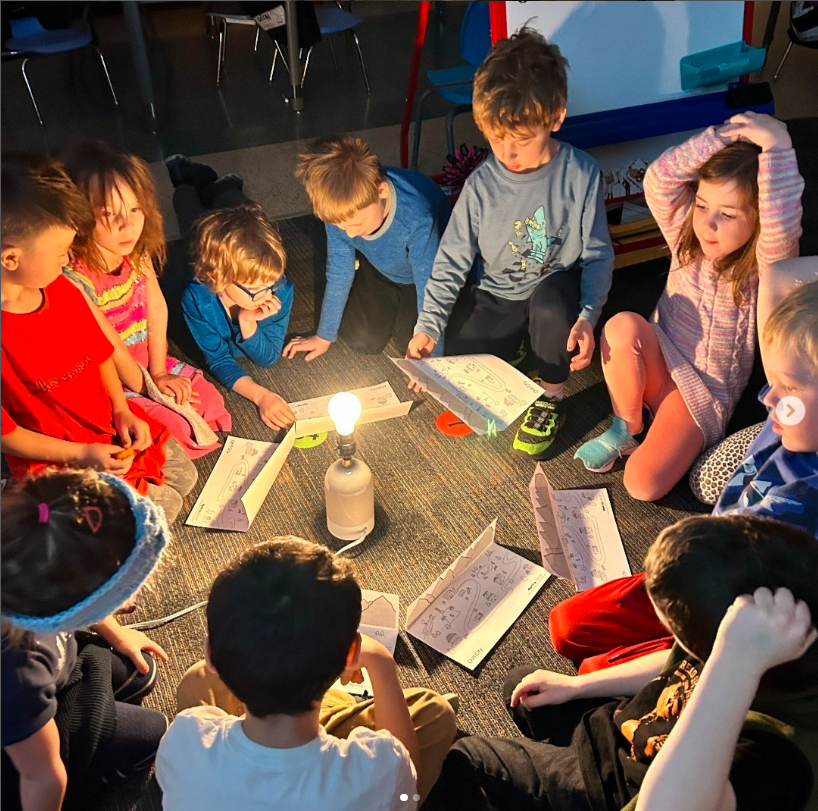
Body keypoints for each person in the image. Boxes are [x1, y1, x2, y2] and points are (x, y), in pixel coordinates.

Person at [441, 514, 818, 811]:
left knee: (464, 759)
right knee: (521, 688)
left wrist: (733, 663)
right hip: (623, 731)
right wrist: (578, 686)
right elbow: (675, 666)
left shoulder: (779, 758)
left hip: (621, 788)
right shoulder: (760, 615)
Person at [550, 273, 818, 675]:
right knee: (565, 625)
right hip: (699, 568)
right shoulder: (787, 420)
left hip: (725, 616)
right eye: (773, 382)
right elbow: (783, 280)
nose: (768, 398)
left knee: (593, 671)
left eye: (789, 388)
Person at [407, 28, 614, 459]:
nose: (506, 153)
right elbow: (451, 260)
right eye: (495, 138)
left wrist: (589, 316)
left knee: (552, 309)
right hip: (498, 292)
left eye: (520, 140)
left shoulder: (581, 173)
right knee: (463, 346)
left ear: (555, 117)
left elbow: (597, 253)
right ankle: (519, 348)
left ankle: (551, 395)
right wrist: (429, 325)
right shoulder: (481, 185)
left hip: (553, 287)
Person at [574, 112, 804, 501]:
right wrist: (721, 136)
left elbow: (783, 225)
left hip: (702, 397)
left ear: (758, 219)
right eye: (701, 205)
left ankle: (664, 431)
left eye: (727, 215)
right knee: (621, 325)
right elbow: (659, 180)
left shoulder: (764, 269)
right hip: (658, 359)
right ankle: (626, 426)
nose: (707, 224)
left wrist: (778, 147)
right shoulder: (686, 238)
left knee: (641, 483)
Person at [156, 537, 457, 810]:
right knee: (436, 712)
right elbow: (407, 785)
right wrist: (381, 664)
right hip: (346, 772)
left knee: (197, 681)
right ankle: (337, 704)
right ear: (351, 654)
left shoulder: (183, 738)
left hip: (241, 755)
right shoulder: (380, 769)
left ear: (211, 654)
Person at [1, 155, 197, 524]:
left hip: (105, 423)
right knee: (159, 510)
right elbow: (8, 435)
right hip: (56, 453)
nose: (68, 262)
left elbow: (99, 353)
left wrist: (121, 408)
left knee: (183, 477)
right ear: (11, 258)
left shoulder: (60, 289)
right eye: (61, 254)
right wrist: (81, 454)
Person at [1, 469, 171, 811]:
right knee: (155, 734)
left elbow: (74, 582)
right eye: (119, 594)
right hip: (21, 736)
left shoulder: (25, 541)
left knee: (141, 670)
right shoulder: (17, 675)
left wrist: (116, 633)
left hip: (53, 668)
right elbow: (44, 777)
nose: (130, 602)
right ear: (64, 603)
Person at [63, 141, 231, 459]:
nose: (127, 224)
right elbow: (107, 347)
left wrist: (159, 372)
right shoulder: (76, 277)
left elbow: (155, 305)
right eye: (108, 214)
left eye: (134, 209)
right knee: (176, 430)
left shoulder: (136, 251)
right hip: (112, 381)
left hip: (147, 363)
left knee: (207, 401)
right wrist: (153, 390)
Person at [282, 135, 450, 361]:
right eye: (341, 226)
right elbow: (340, 268)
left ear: (381, 191)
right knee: (360, 338)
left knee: (411, 347)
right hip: (382, 266)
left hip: (428, 274)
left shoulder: (416, 218)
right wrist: (323, 335)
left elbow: (430, 285)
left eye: (357, 224)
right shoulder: (341, 210)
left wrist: (434, 361)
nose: (349, 234)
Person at [176, 167, 296, 431]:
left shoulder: (280, 289)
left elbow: (268, 358)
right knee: (191, 219)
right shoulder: (196, 298)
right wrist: (260, 395)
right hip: (198, 251)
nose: (266, 296)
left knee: (239, 208)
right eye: (255, 290)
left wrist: (247, 322)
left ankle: (225, 187)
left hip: (239, 222)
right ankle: (186, 179)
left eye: (270, 284)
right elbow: (218, 359)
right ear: (217, 277)